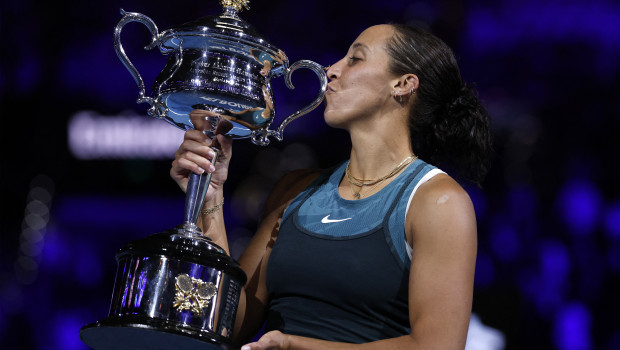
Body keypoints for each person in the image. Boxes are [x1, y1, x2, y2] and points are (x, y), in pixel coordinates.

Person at [171, 23, 492, 350]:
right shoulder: (294, 190)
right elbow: (226, 325)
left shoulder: (437, 201)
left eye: (355, 59)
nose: (331, 70)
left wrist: (295, 345)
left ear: (402, 84)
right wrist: (210, 198)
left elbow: (437, 346)